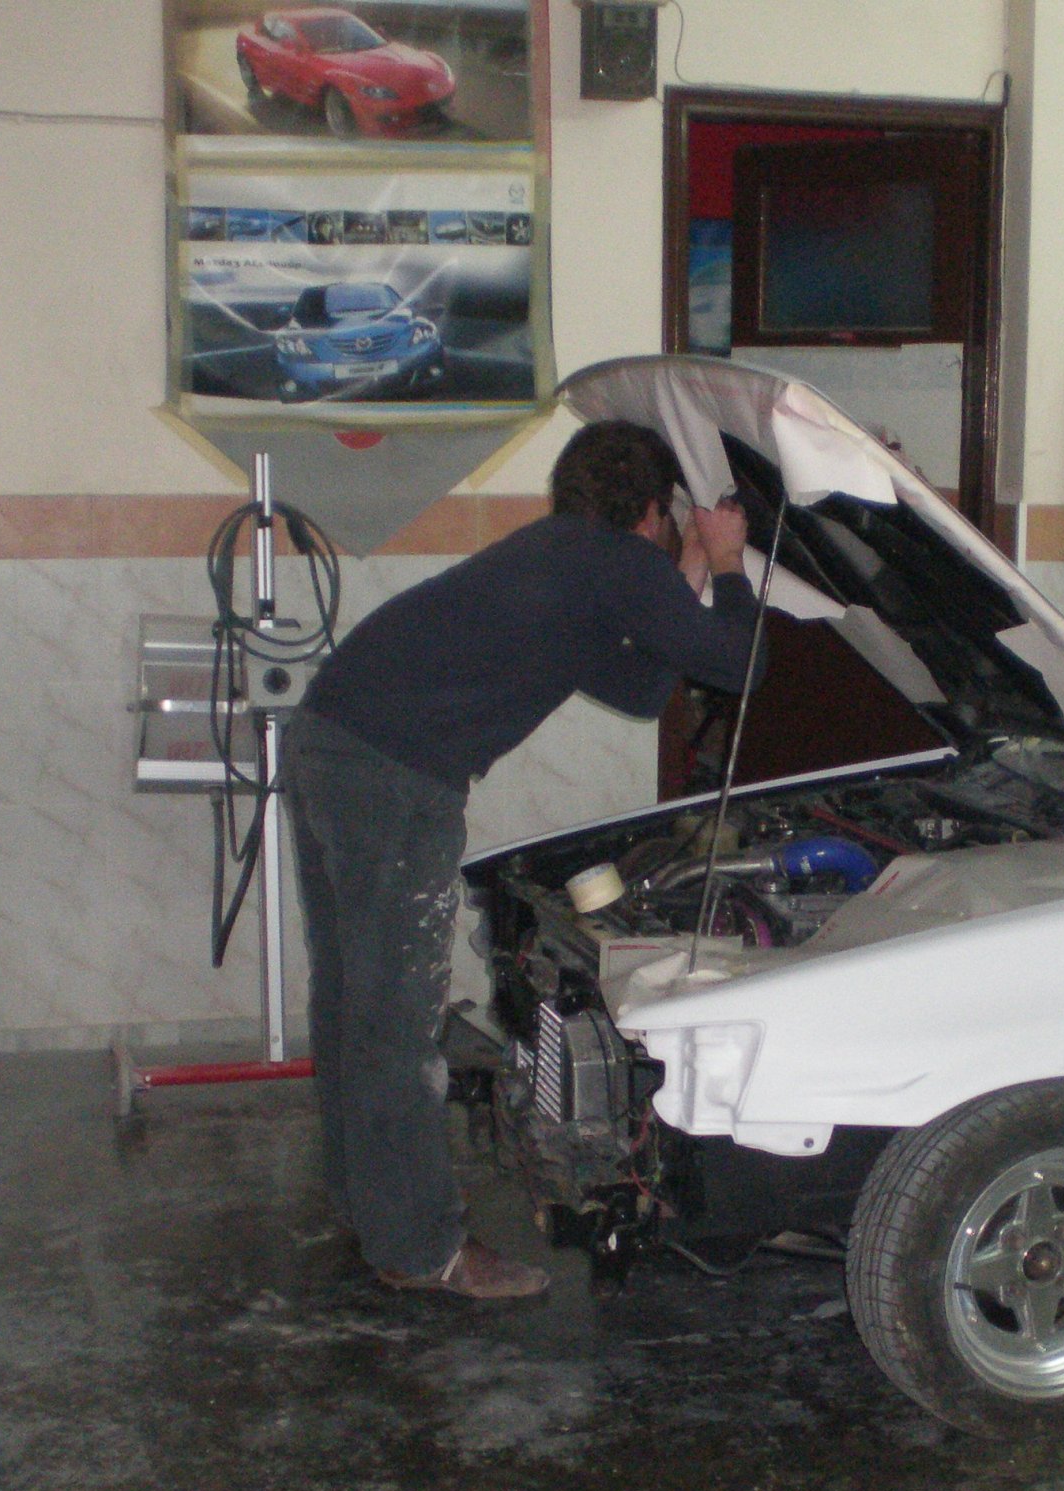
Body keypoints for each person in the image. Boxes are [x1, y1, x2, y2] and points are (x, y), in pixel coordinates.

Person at [284, 421, 762, 1299]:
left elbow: (640, 688)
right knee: (396, 1020)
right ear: (650, 510)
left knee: (354, 998)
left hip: (329, 740)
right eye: (671, 521)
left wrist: (691, 566)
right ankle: (420, 1248)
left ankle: (372, 1210)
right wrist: (727, 563)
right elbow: (741, 662)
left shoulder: (563, 558)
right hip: (391, 776)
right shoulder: (613, 562)